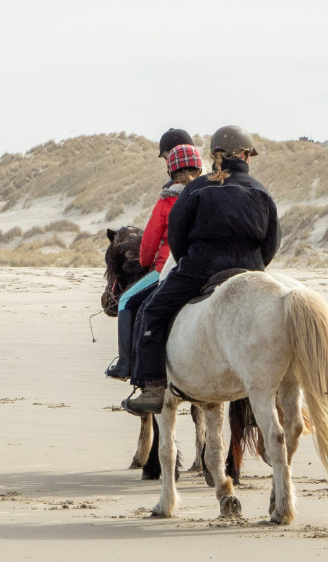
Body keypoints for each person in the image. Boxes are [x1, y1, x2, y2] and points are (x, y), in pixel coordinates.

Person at [123, 125, 281, 415]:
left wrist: (190, 262)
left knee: (151, 310)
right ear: (245, 155)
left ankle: (153, 387)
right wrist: (254, 269)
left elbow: (177, 239)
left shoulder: (198, 188)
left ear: (214, 154)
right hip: (251, 270)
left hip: (201, 267)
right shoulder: (260, 190)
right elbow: (272, 242)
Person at [105, 143, 202, 379]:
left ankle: (126, 364)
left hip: (167, 269)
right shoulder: (207, 195)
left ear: (171, 172)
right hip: (204, 265)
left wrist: (147, 262)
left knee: (126, 300)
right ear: (199, 170)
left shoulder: (165, 202)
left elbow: (148, 245)